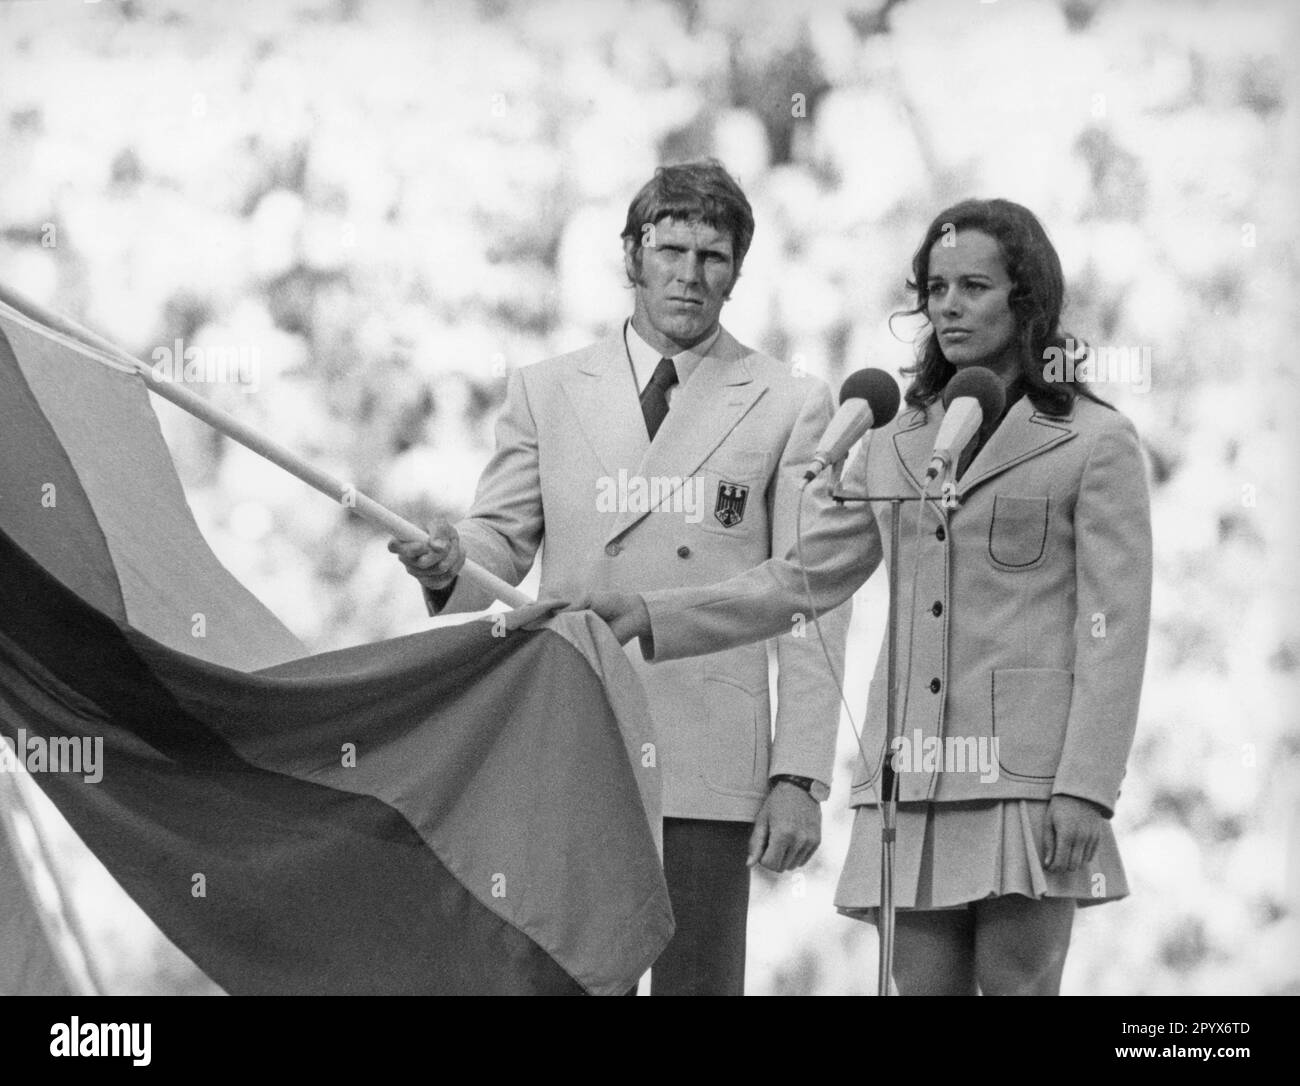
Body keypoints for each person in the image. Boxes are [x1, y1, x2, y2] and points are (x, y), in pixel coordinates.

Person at [572, 197, 1153, 995]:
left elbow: (1115, 631)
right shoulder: (898, 437)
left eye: (974, 286)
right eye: (935, 286)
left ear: (1027, 300)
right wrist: (650, 613)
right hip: (910, 776)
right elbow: (797, 582)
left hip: (1027, 778)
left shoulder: (1093, 441)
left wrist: (1086, 787)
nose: (948, 304)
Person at [390, 160, 855, 996]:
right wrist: (450, 561)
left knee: (697, 989)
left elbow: (810, 595)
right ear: (632, 257)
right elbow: (500, 542)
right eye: (670, 248)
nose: (689, 273)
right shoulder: (547, 389)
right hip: (574, 730)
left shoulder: (790, 401)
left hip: (709, 748)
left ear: (738, 272)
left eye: (713, 256)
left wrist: (799, 776)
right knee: (557, 982)